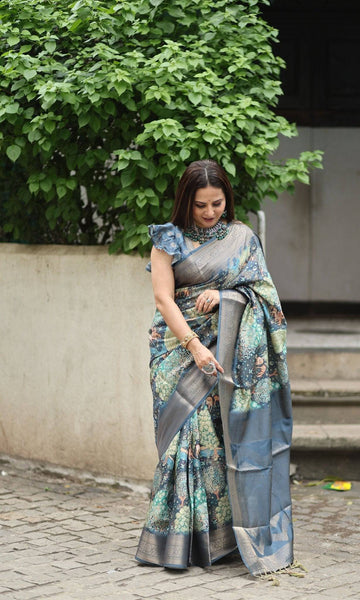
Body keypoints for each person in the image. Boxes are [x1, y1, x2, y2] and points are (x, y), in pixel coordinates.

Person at [135, 159, 293, 576]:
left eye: (217, 204)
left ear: (228, 199)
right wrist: (194, 347)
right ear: (186, 201)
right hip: (175, 348)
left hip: (223, 345)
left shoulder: (242, 238)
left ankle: (218, 541)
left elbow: (265, 296)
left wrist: (226, 297)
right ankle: (175, 542)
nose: (209, 213)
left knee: (215, 440)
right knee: (184, 440)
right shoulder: (167, 239)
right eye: (201, 205)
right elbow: (164, 299)